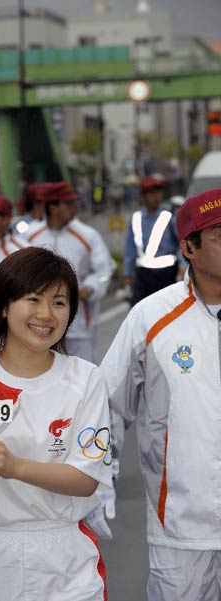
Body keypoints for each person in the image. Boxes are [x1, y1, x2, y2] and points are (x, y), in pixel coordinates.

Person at [0, 246, 113, 601]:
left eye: (59, 302)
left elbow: (86, 480)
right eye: (33, 299)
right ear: (4, 305)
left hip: (66, 558)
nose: (46, 314)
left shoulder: (85, 379)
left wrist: (15, 466)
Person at [100, 188, 221, 600]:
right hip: (181, 529)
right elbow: (107, 406)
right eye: (220, 236)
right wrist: (100, 481)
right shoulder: (151, 317)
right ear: (189, 246)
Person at [26, 181, 115, 363]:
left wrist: (90, 287)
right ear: (53, 207)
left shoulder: (87, 235)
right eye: (68, 203)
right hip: (39, 323)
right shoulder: (29, 236)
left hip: (78, 325)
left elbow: (105, 270)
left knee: (80, 379)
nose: (74, 207)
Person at [122, 175, 181, 306]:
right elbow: (130, 248)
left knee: (167, 311)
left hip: (167, 274)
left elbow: (181, 243)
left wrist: (183, 266)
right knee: (137, 311)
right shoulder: (136, 218)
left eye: (158, 192)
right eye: (151, 193)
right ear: (143, 196)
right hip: (143, 275)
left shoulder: (169, 215)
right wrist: (127, 274)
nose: (156, 196)